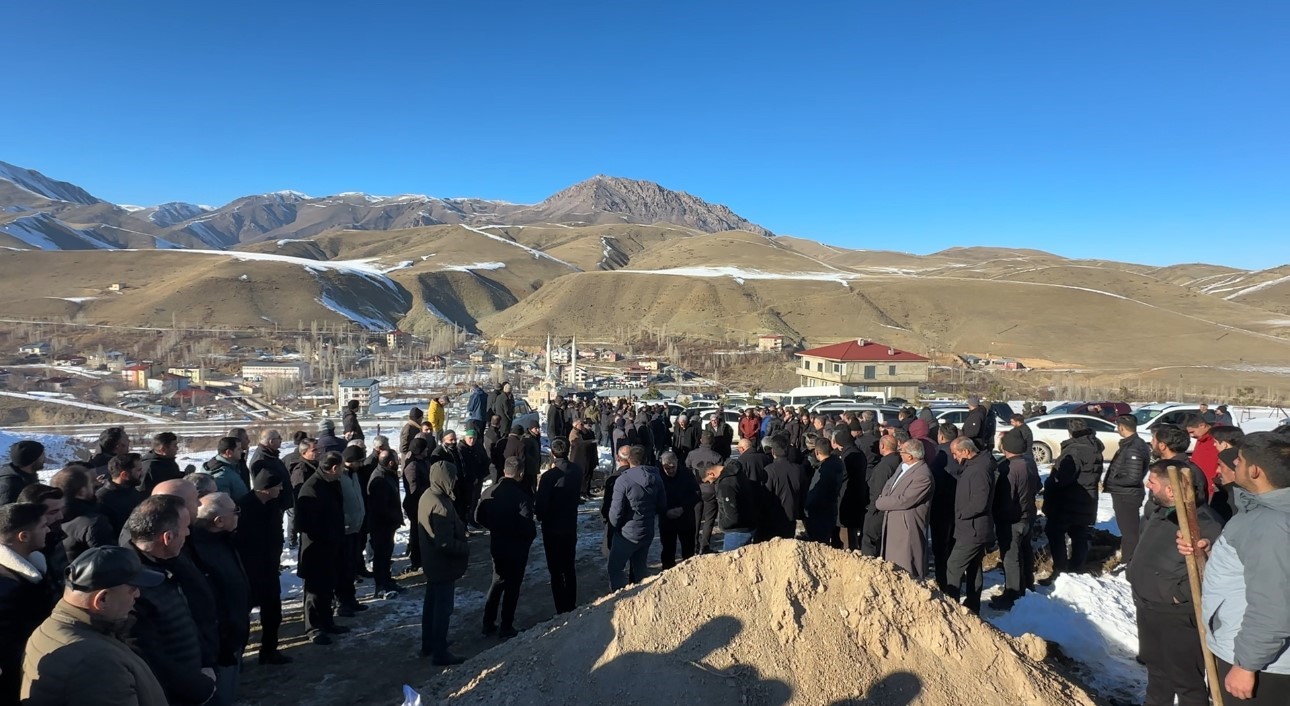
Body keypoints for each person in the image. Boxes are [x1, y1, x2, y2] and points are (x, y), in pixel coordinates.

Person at [1180, 432, 1290, 704]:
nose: (1233, 464)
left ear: (1254, 471)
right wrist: (1210, 552)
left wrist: (1246, 665)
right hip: (1256, 654)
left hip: (1261, 664)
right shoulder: (1264, 514)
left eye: (1239, 460)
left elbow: (1274, 602)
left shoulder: (1271, 524)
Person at [1128, 459, 1225, 706]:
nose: (1148, 486)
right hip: (1149, 609)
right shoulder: (1159, 513)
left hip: (1178, 617)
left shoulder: (1204, 524)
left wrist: (1176, 595)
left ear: (1170, 490)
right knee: (1157, 674)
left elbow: (1211, 573)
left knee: (1186, 682)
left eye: (1152, 482)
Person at [21, 545, 168, 705]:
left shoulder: (48, 629)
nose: (138, 594)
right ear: (102, 599)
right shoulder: (98, 663)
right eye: (132, 589)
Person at [125, 494, 216, 705]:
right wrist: (195, 686)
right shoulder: (130, 586)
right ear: (167, 537)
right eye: (185, 527)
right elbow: (151, 656)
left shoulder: (170, 560)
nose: (188, 532)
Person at [188, 492, 250, 706]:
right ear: (219, 521)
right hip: (220, 642)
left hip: (233, 634)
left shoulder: (223, 541)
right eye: (235, 512)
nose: (239, 515)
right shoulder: (199, 552)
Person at [0, 502, 57, 702]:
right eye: (42, 526)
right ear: (23, 537)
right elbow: (8, 647)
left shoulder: (36, 567)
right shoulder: (6, 586)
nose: (49, 529)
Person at [235, 466, 292, 664]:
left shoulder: (273, 504)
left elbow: (277, 531)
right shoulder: (243, 507)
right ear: (266, 488)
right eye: (278, 486)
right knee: (242, 616)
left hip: (269, 567)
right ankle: (237, 657)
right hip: (248, 570)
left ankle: (269, 650)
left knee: (273, 613)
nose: (281, 489)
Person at [417, 454, 469, 665]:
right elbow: (444, 543)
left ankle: (428, 643)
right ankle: (440, 652)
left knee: (431, 605)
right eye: (453, 477)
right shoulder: (439, 504)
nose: (455, 481)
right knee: (442, 609)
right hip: (442, 565)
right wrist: (464, 547)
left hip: (432, 563)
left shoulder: (429, 495)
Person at [475, 457, 535, 639]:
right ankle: (506, 625)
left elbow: (478, 517)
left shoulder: (489, 492)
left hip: (497, 544)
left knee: (497, 581)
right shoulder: (522, 496)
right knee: (513, 586)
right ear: (521, 474)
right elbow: (527, 526)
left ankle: (488, 622)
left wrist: (494, 526)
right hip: (517, 547)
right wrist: (527, 538)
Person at [1040, 418, 1104, 584]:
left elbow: (1063, 479)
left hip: (1069, 501)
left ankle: (1061, 571)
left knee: (1055, 532)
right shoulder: (1095, 447)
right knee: (1079, 533)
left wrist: (1050, 484)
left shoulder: (1074, 451)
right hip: (1088, 499)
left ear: (1070, 432)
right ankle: (1077, 567)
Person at [295, 451, 349, 645]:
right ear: (334, 468)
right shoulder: (311, 488)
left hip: (331, 547)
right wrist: (327, 533)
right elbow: (304, 523)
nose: (343, 470)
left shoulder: (330, 483)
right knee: (314, 591)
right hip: (316, 549)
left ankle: (327, 622)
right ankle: (313, 627)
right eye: (342, 467)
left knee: (327, 587)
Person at [989, 430, 1041, 610]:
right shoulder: (1029, 463)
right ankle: (1027, 585)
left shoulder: (1008, 468)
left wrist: (996, 514)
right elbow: (1038, 486)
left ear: (1006, 448)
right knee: (1025, 551)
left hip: (1011, 519)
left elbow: (1006, 497)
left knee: (1011, 557)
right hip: (1028, 515)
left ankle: (1012, 594)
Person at [945, 438, 995, 614]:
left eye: (956, 452)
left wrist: (961, 514)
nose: (954, 456)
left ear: (966, 451)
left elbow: (980, 502)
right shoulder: (974, 466)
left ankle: (952, 606)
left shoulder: (979, 470)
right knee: (974, 566)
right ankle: (973, 605)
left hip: (973, 529)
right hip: (972, 528)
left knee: (954, 565)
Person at [607, 445, 667, 590]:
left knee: (615, 569)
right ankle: (644, 600)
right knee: (640, 568)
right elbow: (662, 505)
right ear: (646, 459)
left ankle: (622, 601)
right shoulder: (656, 477)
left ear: (628, 460)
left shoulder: (623, 481)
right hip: (647, 531)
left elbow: (616, 512)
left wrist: (614, 528)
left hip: (626, 534)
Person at [875, 439, 935, 579]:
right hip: (893, 524)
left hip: (907, 528)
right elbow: (889, 485)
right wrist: (884, 497)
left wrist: (881, 502)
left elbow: (905, 500)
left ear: (910, 456)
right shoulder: (903, 466)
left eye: (902, 451)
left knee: (906, 566)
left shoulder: (923, 475)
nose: (899, 453)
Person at [536, 438, 582, 613]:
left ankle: (561, 608)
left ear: (553, 453)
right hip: (570, 524)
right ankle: (571, 603)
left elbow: (541, 505)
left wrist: (540, 514)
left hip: (552, 528)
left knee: (556, 571)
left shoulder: (549, 477)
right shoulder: (576, 471)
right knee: (569, 566)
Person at [1103, 414, 1151, 569]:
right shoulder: (1132, 444)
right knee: (1128, 531)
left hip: (1127, 495)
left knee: (1130, 532)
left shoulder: (1134, 448)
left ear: (1122, 427)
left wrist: (1111, 482)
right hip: (1125, 493)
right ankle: (1128, 559)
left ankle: (1130, 562)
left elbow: (1133, 477)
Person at [365, 440, 404, 597]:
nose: (398, 464)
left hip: (389, 524)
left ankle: (387, 580)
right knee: (381, 556)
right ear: (390, 463)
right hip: (381, 525)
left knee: (386, 555)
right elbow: (380, 507)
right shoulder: (380, 479)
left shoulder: (388, 474)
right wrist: (392, 517)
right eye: (396, 461)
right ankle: (380, 585)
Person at [337, 447, 369, 617]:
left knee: (351, 567)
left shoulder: (354, 474)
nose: (361, 464)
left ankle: (351, 599)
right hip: (345, 529)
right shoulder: (340, 477)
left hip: (356, 527)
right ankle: (343, 603)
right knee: (344, 569)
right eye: (359, 461)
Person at [929, 422, 961, 590]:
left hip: (941, 508)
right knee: (955, 546)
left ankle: (943, 583)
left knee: (941, 548)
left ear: (941, 436)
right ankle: (955, 579)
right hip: (960, 507)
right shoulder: (962, 453)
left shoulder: (940, 456)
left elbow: (935, 484)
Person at [658, 451, 700, 568]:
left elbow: (696, 494)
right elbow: (654, 498)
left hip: (685, 518)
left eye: (673, 467)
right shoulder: (658, 476)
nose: (670, 470)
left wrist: (683, 508)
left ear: (677, 462)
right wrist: (665, 511)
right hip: (667, 520)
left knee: (688, 551)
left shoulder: (687, 474)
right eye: (667, 468)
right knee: (668, 551)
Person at [862, 436, 901, 556]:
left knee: (869, 540)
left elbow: (878, 490)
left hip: (879, 510)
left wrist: (871, 511)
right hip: (891, 508)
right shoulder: (899, 461)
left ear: (882, 446)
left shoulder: (884, 466)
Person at [712, 458, 760, 552]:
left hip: (737, 531)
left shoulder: (726, 485)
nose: (710, 484)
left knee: (731, 562)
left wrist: (722, 524)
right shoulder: (738, 475)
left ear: (711, 474)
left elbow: (732, 516)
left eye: (708, 481)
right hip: (748, 524)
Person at [804, 438, 844, 545]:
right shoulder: (837, 464)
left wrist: (806, 507)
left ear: (817, 452)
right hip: (831, 510)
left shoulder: (824, 471)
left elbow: (815, 494)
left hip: (819, 515)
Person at [764, 437, 805, 539]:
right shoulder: (798, 469)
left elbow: (766, 495)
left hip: (773, 517)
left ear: (773, 452)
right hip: (791, 514)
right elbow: (803, 492)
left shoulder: (769, 470)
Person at [835, 430, 869, 551]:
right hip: (858, 496)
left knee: (847, 536)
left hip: (847, 497)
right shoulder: (859, 452)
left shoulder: (848, 455)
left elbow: (842, 476)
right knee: (852, 533)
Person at [402, 437, 431, 572]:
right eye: (425, 449)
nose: (427, 451)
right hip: (416, 505)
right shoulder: (412, 466)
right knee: (416, 533)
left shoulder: (421, 461)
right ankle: (416, 561)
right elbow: (414, 489)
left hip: (423, 502)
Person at [1184, 413, 1220, 499]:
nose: (1191, 436)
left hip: (1212, 488)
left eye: (1192, 432)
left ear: (1202, 425)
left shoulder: (1218, 438)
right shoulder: (1201, 438)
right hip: (1199, 485)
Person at [2, 440, 46, 504]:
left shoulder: (28, 475)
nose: (45, 459)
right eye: (42, 456)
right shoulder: (10, 485)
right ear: (33, 459)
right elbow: (6, 512)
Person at [523, 420, 543, 495]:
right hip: (529, 468)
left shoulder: (536, 437)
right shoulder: (527, 439)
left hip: (534, 467)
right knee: (530, 487)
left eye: (538, 428)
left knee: (533, 486)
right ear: (531, 429)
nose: (537, 430)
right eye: (535, 428)